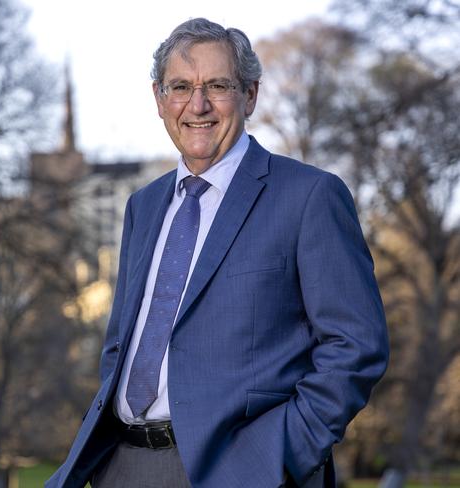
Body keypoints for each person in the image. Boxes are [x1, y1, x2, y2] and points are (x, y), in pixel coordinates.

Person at [46, 17, 389, 488]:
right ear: (159, 99)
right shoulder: (143, 206)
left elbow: (356, 345)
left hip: (243, 471)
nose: (198, 105)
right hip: (120, 466)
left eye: (218, 85)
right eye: (181, 87)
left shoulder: (308, 197)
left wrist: (283, 453)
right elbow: (120, 347)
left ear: (250, 94)